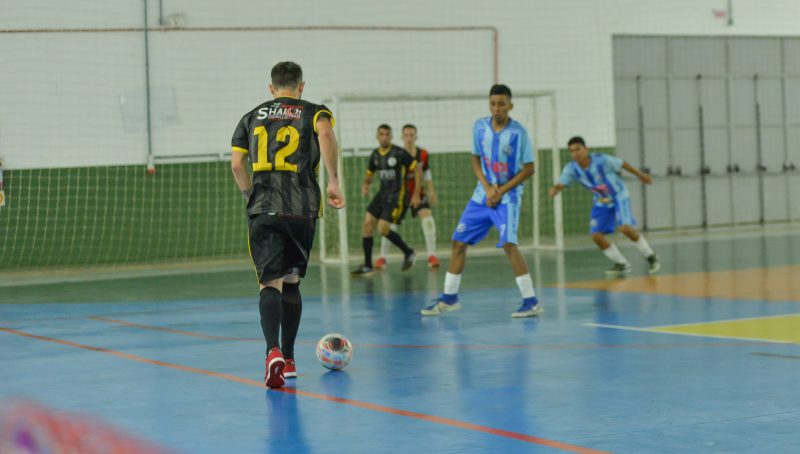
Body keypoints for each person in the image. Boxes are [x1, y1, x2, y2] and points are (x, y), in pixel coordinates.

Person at [230, 61, 345, 389]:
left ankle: (273, 352)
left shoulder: (250, 117)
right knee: (292, 282)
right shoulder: (314, 111)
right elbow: (325, 133)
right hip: (303, 209)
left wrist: (249, 195)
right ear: (301, 86)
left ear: (271, 88)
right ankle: (291, 361)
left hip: (265, 208)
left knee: (270, 284)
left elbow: (237, 164)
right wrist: (334, 180)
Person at [421, 84, 542, 318]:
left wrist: (500, 191)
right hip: (482, 196)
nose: (497, 108)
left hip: (508, 198)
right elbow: (475, 159)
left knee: (509, 245)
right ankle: (449, 297)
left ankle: (531, 301)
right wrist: (488, 189)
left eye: (502, 104)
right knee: (458, 242)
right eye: (493, 103)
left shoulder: (519, 133)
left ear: (510, 105)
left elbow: (529, 169)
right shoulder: (479, 127)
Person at [548, 136, 660, 276]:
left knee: (625, 228)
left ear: (586, 149)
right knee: (596, 236)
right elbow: (561, 183)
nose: (575, 153)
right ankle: (622, 263)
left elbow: (622, 164)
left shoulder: (602, 159)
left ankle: (651, 256)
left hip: (619, 196)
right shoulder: (571, 169)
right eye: (572, 151)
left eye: (578, 149)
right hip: (601, 201)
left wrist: (640, 175)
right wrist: (555, 189)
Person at [352, 124, 422, 276]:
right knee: (367, 225)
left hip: (397, 195)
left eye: (387, 134)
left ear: (391, 137)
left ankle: (409, 252)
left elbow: (417, 170)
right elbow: (370, 172)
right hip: (382, 194)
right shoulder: (375, 155)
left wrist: (416, 194)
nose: (384, 137)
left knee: (382, 228)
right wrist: (366, 185)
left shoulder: (399, 153)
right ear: (377, 136)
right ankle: (368, 265)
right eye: (381, 134)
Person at [375, 124, 440, 269]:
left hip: (418, 193)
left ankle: (432, 255)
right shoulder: (396, 153)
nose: (409, 138)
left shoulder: (423, 154)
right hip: (400, 195)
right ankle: (382, 257)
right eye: (406, 135)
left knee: (427, 216)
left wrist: (430, 191)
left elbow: (426, 173)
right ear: (401, 137)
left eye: (412, 135)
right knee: (389, 224)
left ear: (416, 137)